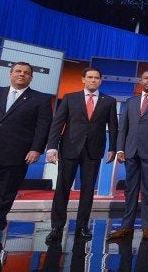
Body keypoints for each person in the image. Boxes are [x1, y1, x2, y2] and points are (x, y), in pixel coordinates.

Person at [0, 62, 52, 242]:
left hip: (15, 153)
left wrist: (36, 149)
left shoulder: (40, 99)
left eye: (26, 73)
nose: (21, 74)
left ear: (31, 78)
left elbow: (43, 127)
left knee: (3, 192)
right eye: (18, 71)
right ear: (10, 74)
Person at [45, 67, 118, 243]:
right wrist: (52, 147)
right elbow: (57, 123)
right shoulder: (70, 98)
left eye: (97, 78)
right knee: (62, 189)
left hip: (93, 151)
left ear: (101, 80)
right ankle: (56, 227)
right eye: (90, 77)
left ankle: (82, 227)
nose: (93, 80)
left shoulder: (108, 101)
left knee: (87, 192)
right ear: (83, 79)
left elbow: (113, 127)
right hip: (69, 148)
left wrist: (113, 148)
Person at [107, 71, 148, 241]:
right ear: (141, 81)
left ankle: (146, 227)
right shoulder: (131, 102)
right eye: (146, 78)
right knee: (130, 190)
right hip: (131, 152)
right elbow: (124, 128)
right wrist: (120, 149)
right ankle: (126, 227)